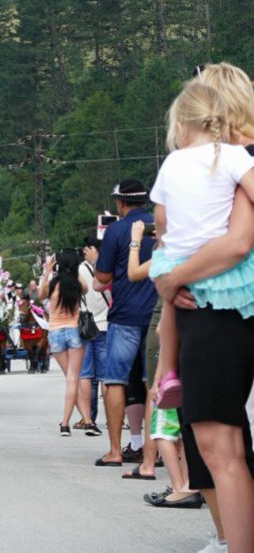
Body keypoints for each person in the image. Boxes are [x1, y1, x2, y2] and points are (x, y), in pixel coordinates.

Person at [152, 68, 254, 553]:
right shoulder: (218, 163)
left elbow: (236, 243)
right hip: (206, 309)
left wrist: (174, 276)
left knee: (220, 444)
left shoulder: (230, 160)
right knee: (215, 441)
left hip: (219, 310)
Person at [92, 180, 157, 466]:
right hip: (158, 315)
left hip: (125, 316)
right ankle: (157, 453)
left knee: (115, 380)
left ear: (120, 204)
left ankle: (116, 450)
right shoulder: (160, 227)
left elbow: (103, 277)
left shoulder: (116, 231)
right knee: (155, 383)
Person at [38, 249, 94, 436]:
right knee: (73, 379)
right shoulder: (77, 285)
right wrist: (75, 271)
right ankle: (66, 423)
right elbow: (87, 287)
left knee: (71, 380)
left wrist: (47, 271)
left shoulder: (53, 285)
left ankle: (86, 421)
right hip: (73, 331)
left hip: (55, 333)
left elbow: (40, 295)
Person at [77, 235, 108, 434]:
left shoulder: (80, 270)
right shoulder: (109, 268)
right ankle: (116, 418)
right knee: (106, 376)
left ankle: (88, 418)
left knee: (86, 375)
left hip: (87, 328)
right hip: (106, 325)